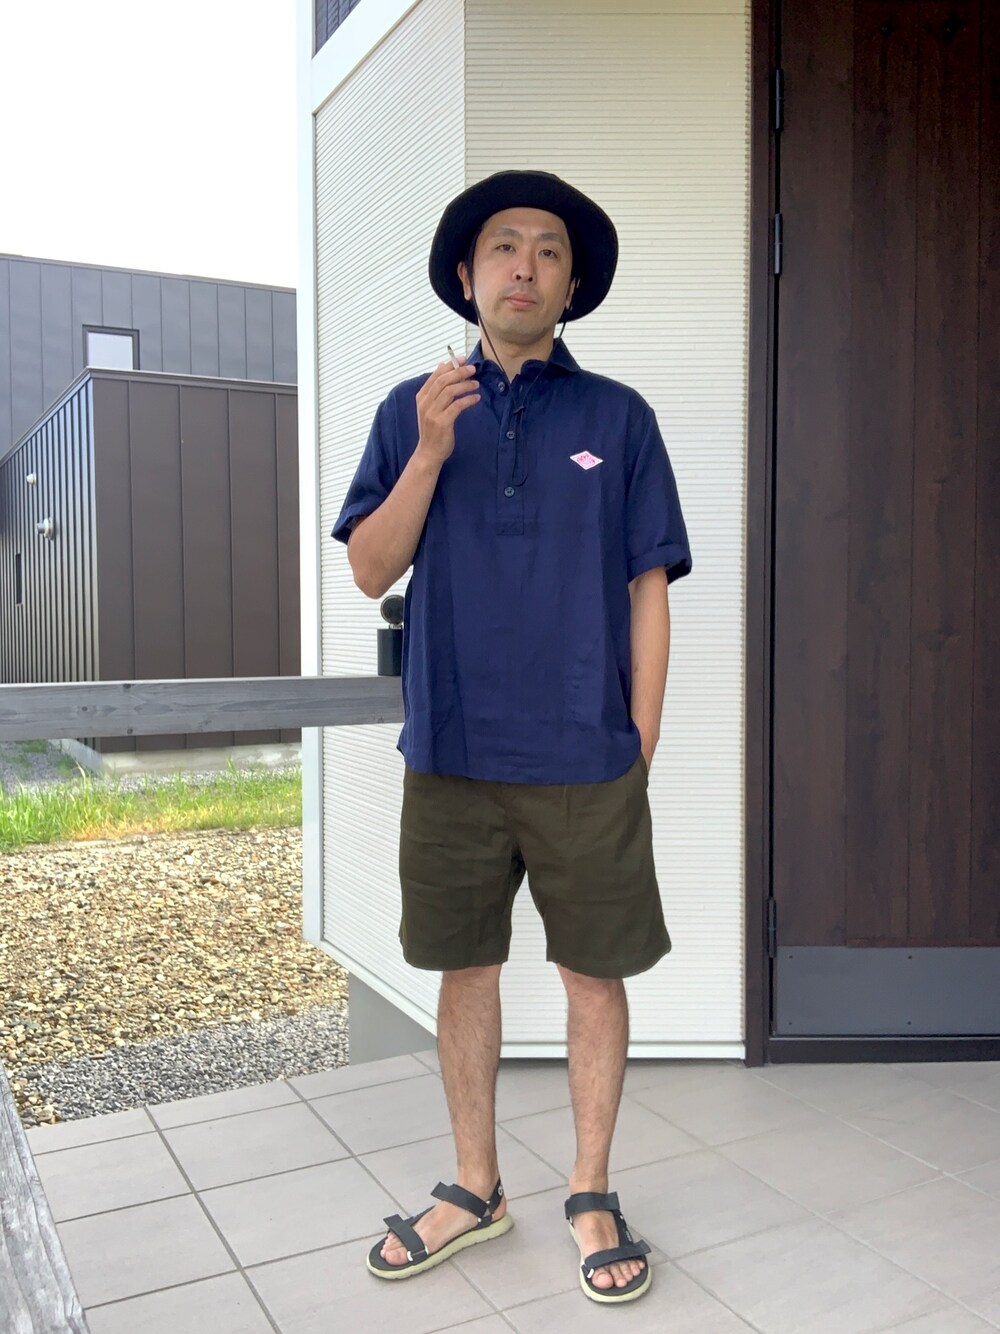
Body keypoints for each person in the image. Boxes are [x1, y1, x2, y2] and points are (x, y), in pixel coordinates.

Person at [331, 170, 691, 1305]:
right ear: (466, 274)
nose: (524, 266)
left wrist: (639, 737)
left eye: (548, 251)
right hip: (451, 748)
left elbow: (647, 585)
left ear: (571, 285)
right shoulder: (412, 407)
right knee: (464, 968)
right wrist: (430, 451)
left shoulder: (619, 418)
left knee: (594, 976)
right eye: (503, 246)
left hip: (586, 754)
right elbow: (370, 567)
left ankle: (590, 1189)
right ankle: (475, 1186)